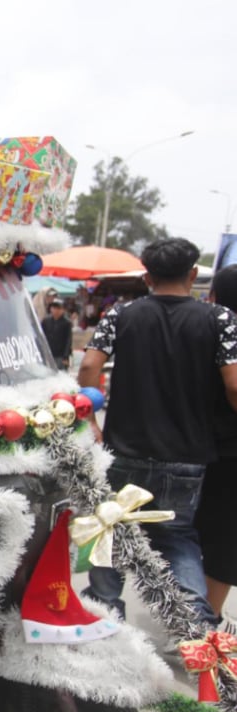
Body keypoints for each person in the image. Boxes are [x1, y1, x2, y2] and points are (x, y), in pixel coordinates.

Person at [78, 238, 237, 630]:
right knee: (178, 538)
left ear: (147, 276)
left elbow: (88, 367)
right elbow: (233, 386)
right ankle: (197, 629)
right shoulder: (219, 319)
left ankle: (104, 615)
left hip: (123, 450)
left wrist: (91, 422)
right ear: (193, 274)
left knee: (112, 529)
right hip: (187, 455)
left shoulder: (121, 314)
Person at [194, 265, 237, 632]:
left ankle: (192, 616)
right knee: (224, 537)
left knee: (186, 532)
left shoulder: (202, 329)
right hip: (229, 452)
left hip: (190, 444)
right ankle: (207, 619)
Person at [40, 298, 71, 370]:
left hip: (60, 355)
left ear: (63, 310)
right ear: (51, 309)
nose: (56, 310)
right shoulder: (46, 321)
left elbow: (68, 340)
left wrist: (66, 356)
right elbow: (41, 336)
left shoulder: (66, 323)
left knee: (60, 373)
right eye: (54, 308)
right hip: (48, 352)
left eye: (59, 308)